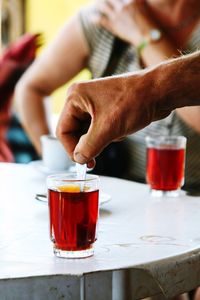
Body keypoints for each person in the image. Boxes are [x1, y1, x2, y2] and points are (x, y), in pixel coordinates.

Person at [15, 0, 200, 188]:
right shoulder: (106, 15)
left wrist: (145, 35)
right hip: (116, 194)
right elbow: (31, 88)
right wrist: (56, 160)